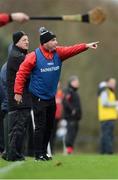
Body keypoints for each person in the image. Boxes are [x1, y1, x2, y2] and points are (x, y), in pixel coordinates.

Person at [14, 27, 99, 161]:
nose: (56, 42)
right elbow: (21, 74)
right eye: (53, 40)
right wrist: (17, 92)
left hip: (50, 96)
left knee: (49, 126)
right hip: (38, 97)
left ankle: (44, 152)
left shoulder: (58, 53)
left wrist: (86, 46)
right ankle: (38, 154)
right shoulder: (33, 56)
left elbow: (72, 49)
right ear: (45, 43)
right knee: (40, 126)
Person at [6, 31, 32, 161]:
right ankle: (13, 154)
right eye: (24, 40)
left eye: (27, 39)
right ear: (17, 42)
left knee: (20, 126)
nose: (27, 42)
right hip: (18, 98)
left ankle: (15, 153)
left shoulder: (20, 54)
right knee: (18, 127)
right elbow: (29, 75)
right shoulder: (18, 57)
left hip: (23, 97)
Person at [98, 78, 118, 154]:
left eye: (115, 83)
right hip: (107, 117)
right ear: (108, 83)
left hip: (109, 117)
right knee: (107, 136)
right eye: (112, 83)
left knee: (106, 135)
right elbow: (104, 103)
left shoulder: (110, 92)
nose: (114, 84)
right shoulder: (105, 91)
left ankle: (103, 152)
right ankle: (108, 152)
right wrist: (115, 103)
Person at [63, 76, 82, 154]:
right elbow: (65, 101)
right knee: (70, 133)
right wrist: (72, 110)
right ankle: (68, 149)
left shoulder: (74, 92)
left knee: (74, 133)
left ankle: (70, 150)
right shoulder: (69, 91)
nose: (78, 83)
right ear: (71, 83)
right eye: (76, 82)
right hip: (71, 117)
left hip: (76, 118)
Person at [50, 81, 64, 154]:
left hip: (58, 117)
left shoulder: (61, 93)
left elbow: (62, 106)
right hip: (52, 116)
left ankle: (52, 150)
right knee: (50, 134)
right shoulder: (52, 92)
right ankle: (48, 149)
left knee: (54, 134)